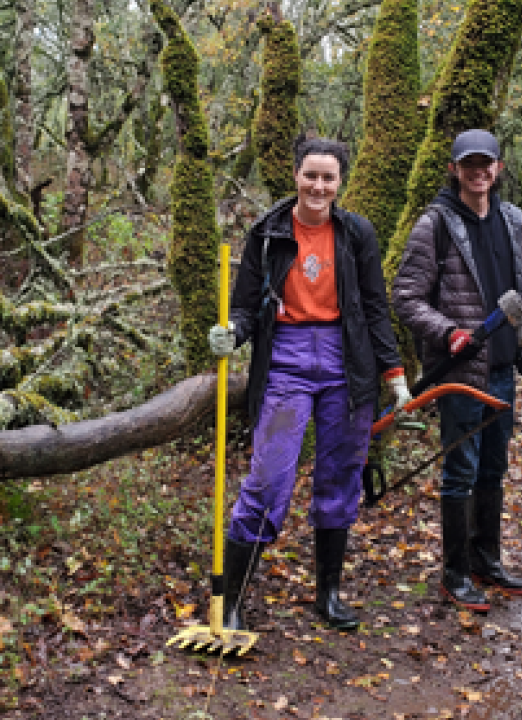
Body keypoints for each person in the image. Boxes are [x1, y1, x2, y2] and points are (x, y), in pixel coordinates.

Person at [207, 137, 412, 631]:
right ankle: (231, 603)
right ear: (295, 175)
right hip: (286, 359)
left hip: (347, 361)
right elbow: (245, 305)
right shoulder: (267, 233)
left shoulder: (357, 233)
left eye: (329, 177)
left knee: (340, 477)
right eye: (310, 175)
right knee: (270, 476)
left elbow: (374, 306)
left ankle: (329, 594)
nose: (319, 186)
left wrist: (396, 375)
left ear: (340, 182)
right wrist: (232, 332)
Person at [392, 129, 522, 613]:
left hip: (502, 366)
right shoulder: (435, 225)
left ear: (498, 167)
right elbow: (406, 297)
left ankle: (485, 561)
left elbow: (518, 291)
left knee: (493, 466)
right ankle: (454, 573)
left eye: (486, 163)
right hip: (460, 370)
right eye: (468, 163)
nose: (478, 171)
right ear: (453, 168)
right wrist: (448, 331)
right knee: (461, 470)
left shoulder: (509, 219)